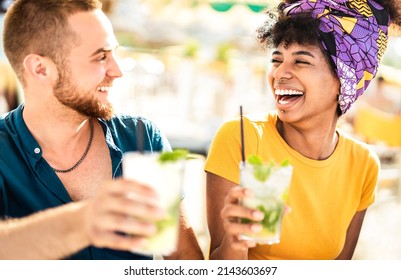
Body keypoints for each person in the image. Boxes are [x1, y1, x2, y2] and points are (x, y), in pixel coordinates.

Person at [0, 0, 203, 260]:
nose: (117, 71)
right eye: (101, 56)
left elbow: (184, 261)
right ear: (41, 69)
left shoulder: (142, 138)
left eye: (114, 53)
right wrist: (85, 221)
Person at [204, 0, 401, 260]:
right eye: (277, 59)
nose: (279, 73)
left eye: (301, 62)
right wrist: (236, 239)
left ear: (345, 80)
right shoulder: (241, 138)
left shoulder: (363, 165)